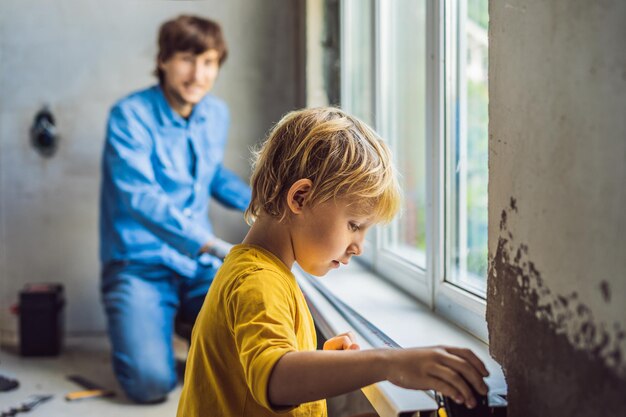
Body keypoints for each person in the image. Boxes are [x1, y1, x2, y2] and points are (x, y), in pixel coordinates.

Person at [176, 107, 489, 417]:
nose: (359, 247)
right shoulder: (257, 281)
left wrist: (315, 361)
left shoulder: (261, 271)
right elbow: (274, 379)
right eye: (354, 225)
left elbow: (261, 374)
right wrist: (389, 364)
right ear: (300, 198)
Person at [99, 15, 251, 403]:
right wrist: (209, 244)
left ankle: (186, 324)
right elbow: (140, 196)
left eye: (210, 62)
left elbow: (210, 173)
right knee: (149, 385)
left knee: (250, 345)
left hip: (197, 267)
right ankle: (162, 332)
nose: (198, 74)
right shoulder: (128, 116)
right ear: (164, 60)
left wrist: (259, 205)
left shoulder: (216, 113)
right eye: (187, 58)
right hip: (140, 265)